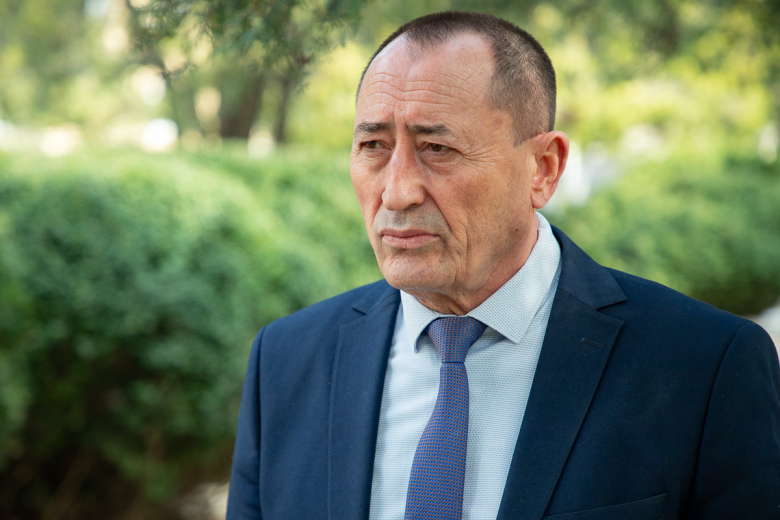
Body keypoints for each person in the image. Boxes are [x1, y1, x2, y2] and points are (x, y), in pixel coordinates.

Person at [226, 11, 780, 520]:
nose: (396, 191)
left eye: (437, 149)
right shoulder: (286, 361)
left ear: (543, 168)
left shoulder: (704, 368)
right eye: (373, 145)